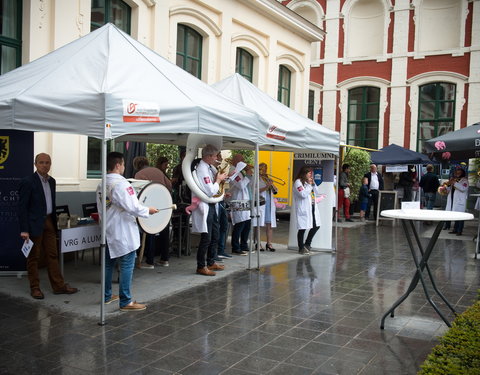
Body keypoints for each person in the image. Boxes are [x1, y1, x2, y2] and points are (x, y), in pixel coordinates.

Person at [96, 152, 158, 311]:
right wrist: (148, 210)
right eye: (123, 164)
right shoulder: (122, 184)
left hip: (108, 230)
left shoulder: (102, 183)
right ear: (118, 165)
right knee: (127, 264)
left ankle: (106, 295)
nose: (124, 167)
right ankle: (126, 301)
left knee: (108, 265)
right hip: (122, 231)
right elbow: (133, 207)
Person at [18, 153, 79, 300]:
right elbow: (22, 207)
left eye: (47, 163)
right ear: (35, 164)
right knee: (34, 257)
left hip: (49, 222)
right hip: (34, 224)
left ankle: (58, 286)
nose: (45, 165)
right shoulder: (28, 182)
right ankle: (35, 288)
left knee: (53, 254)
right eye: (41, 162)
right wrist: (24, 229)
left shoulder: (52, 181)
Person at [190, 144, 228, 275]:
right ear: (208, 156)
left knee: (215, 234)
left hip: (212, 205)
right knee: (206, 237)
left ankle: (211, 262)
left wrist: (219, 179)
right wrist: (218, 180)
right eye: (215, 156)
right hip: (205, 204)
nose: (217, 158)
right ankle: (201, 266)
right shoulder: (202, 169)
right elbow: (210, 190)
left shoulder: (208, 167)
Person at [133, 156, 171, 268]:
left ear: (136, 166)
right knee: (164, 232)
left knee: (150, 232)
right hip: (164, 203)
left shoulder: (139, 175)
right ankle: (165, 259)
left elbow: (139, 192)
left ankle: (149, 261)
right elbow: (169, 185)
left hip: (150, 206)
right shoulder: (158, 171)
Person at [293, 166, 321, 255]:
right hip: (304, 208)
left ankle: (307, 245)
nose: (311, 175)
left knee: (316, 225)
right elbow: (303, 194)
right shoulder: (298, 182)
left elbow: (316, 192)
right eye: (309, 173)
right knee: (302, 228)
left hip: (312, 207)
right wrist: (309, 185)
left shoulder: (308, 182)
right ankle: (301, 248)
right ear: (304, 173)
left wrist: (313, 184)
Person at [229, 154, 253, 256]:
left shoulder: (240, 171)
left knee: (247, 223)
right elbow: (241, 186)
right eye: (242, 159)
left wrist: (248, 175)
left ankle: (244, 245)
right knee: (239, 224)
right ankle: (235, 247)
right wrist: (247, 175)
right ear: (236, 161)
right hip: (237, 201)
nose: (244, 161)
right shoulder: (233, 171)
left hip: (244, 201)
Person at [213, 152, 232, 260]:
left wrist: (224, 194)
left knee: (224, 225)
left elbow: (219, 186)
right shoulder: (213, 170)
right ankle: (215, 252)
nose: (219, 158)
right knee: (217, 227)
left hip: (221, 199)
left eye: (219, 156)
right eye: (218, 156)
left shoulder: (218, 169)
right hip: (216, 201)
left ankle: (221, 250)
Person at [255, 162, 277, 251]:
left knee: (269, 224)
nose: (264, 170)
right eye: (262, 169)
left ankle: (269, 243)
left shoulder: (267, 178)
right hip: (261, 202)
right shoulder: (256, 178)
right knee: (259, 224)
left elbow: (275, 190)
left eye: (265, 169)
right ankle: (258, 243)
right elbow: (256, 190)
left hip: (269, 203)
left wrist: (273, 186)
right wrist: (267, 186)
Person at [443, 167, 469, 235]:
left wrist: (454, 182)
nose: (457, 173)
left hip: (459, 201)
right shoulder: (455, 180)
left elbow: (463, 188)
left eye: (459, 171)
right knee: (456, 216)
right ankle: (455, 229)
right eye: (456, 172)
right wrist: (447, 185)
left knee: (461, 216)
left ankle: (459, 231)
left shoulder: (464, 180)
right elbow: (449, 190)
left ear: (462, 172)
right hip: (452, 200)